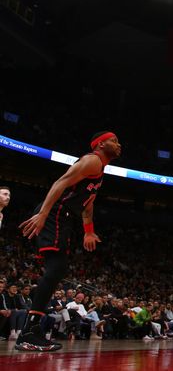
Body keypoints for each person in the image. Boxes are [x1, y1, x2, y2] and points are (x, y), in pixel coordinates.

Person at [16, 131, 122, 351]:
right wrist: (44, 214)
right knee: (56, 268)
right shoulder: (91, 160)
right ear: (101, 144)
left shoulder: (99, 169)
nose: (119, 144)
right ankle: (29, 332)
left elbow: (88, 204)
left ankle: (31, 330)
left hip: (64, 217)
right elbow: (60, 182)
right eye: (114, 140)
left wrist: (89, 231)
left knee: (57, 269)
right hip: (56, 212)